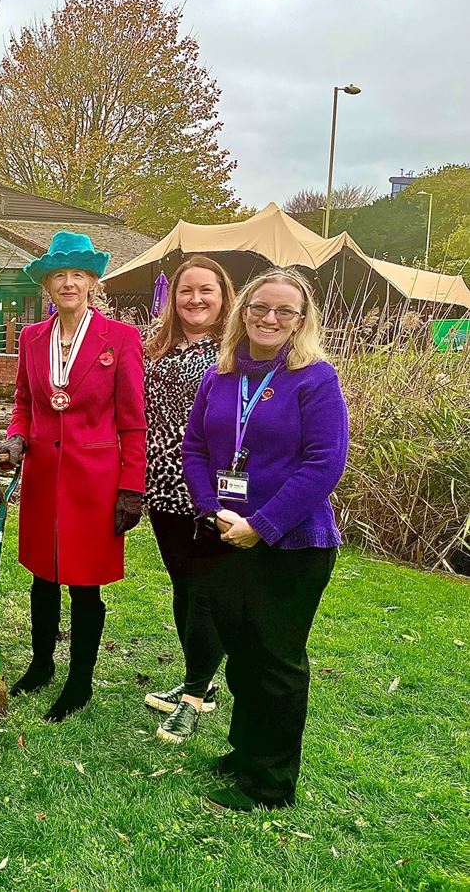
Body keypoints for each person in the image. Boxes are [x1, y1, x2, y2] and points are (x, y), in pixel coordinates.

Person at [181, 266, 348, 810]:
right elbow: (196, 450)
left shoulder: (315, 378)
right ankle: (245, 751)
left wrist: (264, 525)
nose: (269, 319)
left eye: (284, 311)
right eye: (259, 308)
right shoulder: (222, 374)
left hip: (291, 543)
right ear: (243, 311)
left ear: (301, 321)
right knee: (242, 652)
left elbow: (325, 463)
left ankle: (270, 782)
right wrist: (212, 509)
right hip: (227, 534)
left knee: (276, 659)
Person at [0, 231, 147, 722]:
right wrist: (16, 438)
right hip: (43, 477)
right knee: (43, 577)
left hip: (95, 481)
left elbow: (133, 421)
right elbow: (24, 402)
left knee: (85, 583)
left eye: (78, 274)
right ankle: (41, 665)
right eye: (59, 275)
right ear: (47, 285)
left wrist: (131, 486)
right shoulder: (31, 338)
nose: (68, 283)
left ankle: (80, 678)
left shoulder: (120, 339)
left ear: (93, 282)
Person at [141, 255, 236, 743]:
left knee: (206, 590)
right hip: (160, 482)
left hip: (210, 485)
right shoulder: (154, 345)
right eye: (186, 291)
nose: (195, 299)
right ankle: (201, 679)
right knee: (183, 585)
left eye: (207, 291)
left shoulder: (236, 349)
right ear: (172, 298)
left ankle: (195, 697)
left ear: (224, 296)